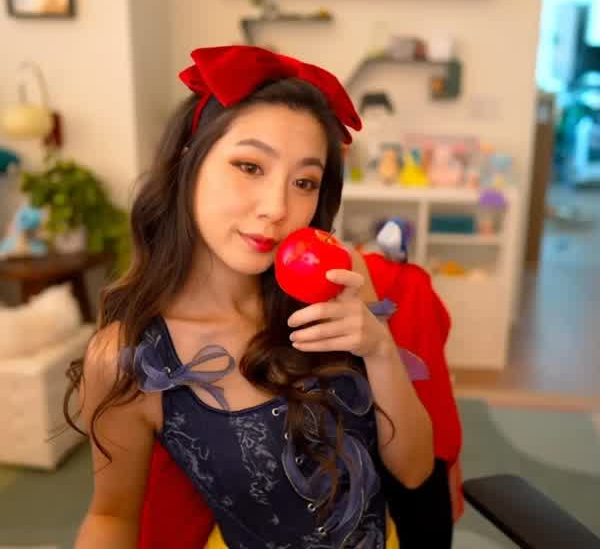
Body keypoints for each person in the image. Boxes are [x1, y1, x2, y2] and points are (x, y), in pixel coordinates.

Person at [65, 45, 443, 549]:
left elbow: (415, 470)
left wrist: (379, 348)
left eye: (304, 181)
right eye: (249, 166)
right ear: (189, 163)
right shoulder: (127, 357)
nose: (277, 208)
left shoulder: (339, 282)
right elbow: (111, 517)